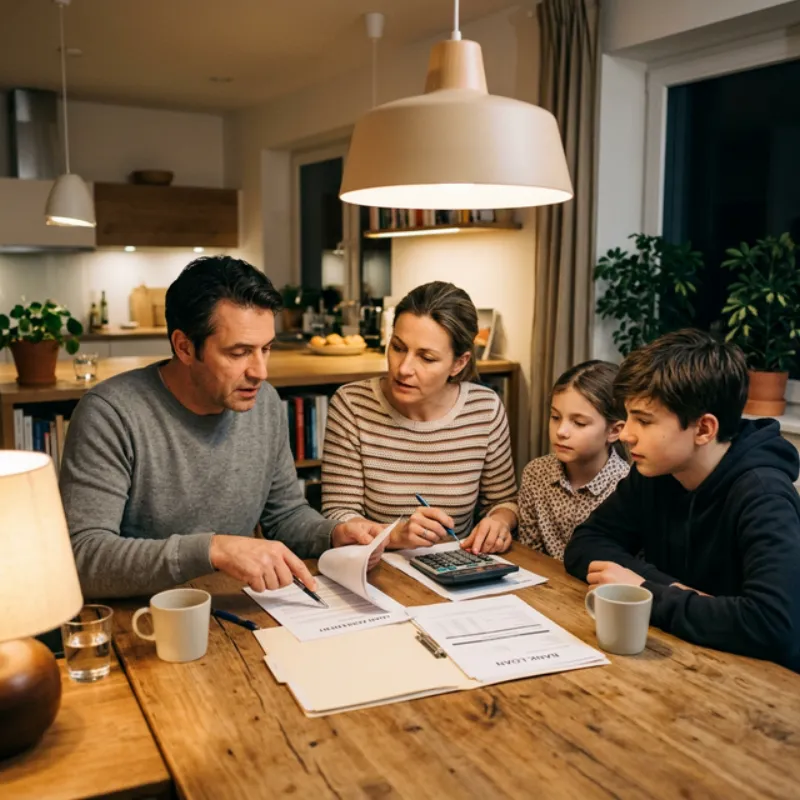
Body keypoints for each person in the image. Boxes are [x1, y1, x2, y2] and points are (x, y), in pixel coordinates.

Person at [60, 256, 381, 599]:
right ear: (184, 346)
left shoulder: (265, 403)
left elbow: (285, 515)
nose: (260, 371)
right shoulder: (111, 414)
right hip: (143, 615)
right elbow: (83, 559)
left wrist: (333, 534)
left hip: (229, 605)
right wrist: (214, 550)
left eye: (266, 349)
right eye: (239, 352)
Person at [564, 329, 800, 670]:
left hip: (759, 684)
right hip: (683, 658)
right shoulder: (656, 472)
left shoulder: (763, 494)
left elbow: (775, 626)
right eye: (628, 416)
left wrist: (646, 590)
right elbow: (586, 542)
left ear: (704, 429)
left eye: (643, 420)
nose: (627, 434)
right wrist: (669, 588)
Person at [322, 281, 518, 554]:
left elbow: (504, 502)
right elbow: (337, 514)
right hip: (379, 569)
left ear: (459, 363)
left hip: (457, 568)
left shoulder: (485, 409)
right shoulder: (352, 405)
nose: (404, 368)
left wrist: (499, 522)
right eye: (398, 348)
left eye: (426, 358)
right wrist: (394, 536)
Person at [517, 360, 629, 560]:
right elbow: (529, 555)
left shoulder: (626, 487)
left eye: (579, 423)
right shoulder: (536, 473)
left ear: (614, 431)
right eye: (555, 417)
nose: (561, 431)